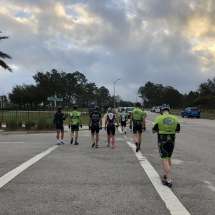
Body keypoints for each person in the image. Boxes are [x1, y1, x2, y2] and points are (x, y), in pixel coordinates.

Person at [152, 104, 180, 187]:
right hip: (171, 140)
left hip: (162, 140)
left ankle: (169, 180)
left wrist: (160, 130)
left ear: (161, 111)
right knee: (169, 157)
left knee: (164, 158)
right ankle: (165, 173)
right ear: (169, 110)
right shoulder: (175, 118)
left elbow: (153, 130)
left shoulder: (158, 118)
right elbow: (178, 130)